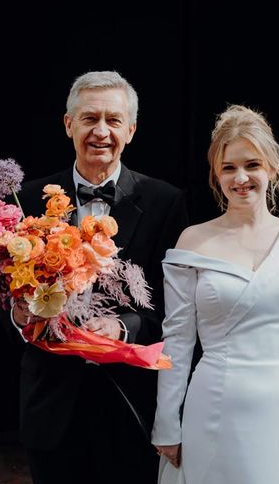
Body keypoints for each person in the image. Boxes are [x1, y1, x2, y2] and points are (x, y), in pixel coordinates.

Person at [11, 70, 188, 484]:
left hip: (131, 403)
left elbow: (180, 308)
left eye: (113, 120)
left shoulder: (166, 202)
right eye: (90, 119)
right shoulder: (27, 201)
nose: (101, 131)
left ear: (132, 129)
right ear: (69, 124)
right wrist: (20, 317)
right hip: (52, 405)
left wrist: (123, 327)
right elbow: (8, 299)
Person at [151, 104, 279, 484]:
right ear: (216, 175)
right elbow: (176, 339)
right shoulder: (194, 241)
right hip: (216, 408)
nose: (241, 177)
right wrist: (166, 423)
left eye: (252, 164)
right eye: (228, 168)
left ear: (272, 167)